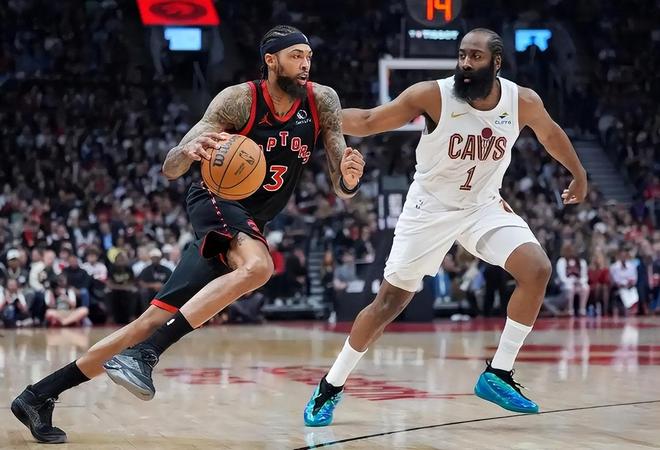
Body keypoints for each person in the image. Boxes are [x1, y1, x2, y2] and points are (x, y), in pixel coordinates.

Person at [11, 25, 365, 444]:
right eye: (295, 56)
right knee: (259, 267)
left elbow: (341, 182)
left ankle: (39, 395)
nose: (305, 64)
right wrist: (187, 152)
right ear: (270, 60)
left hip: (248, 225)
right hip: (215, 200)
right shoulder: (239, 100)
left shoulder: (322, 101)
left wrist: (349, 179)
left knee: (149, 320)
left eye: (308, 56)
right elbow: (171, 166)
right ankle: (146, 355)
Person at [303, 28, 588, 427]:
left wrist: (578, 173)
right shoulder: (433, 95)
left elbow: (551, 134)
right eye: (462, 55)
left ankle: (498, 373)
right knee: (388, 304)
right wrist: (313, 118)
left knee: (537, 268)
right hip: (430, 209)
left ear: (496, 63)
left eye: (475, 57)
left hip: (483, 206)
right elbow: (368, 120)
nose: (466, 64)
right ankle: (330, 386)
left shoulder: (521, 101)